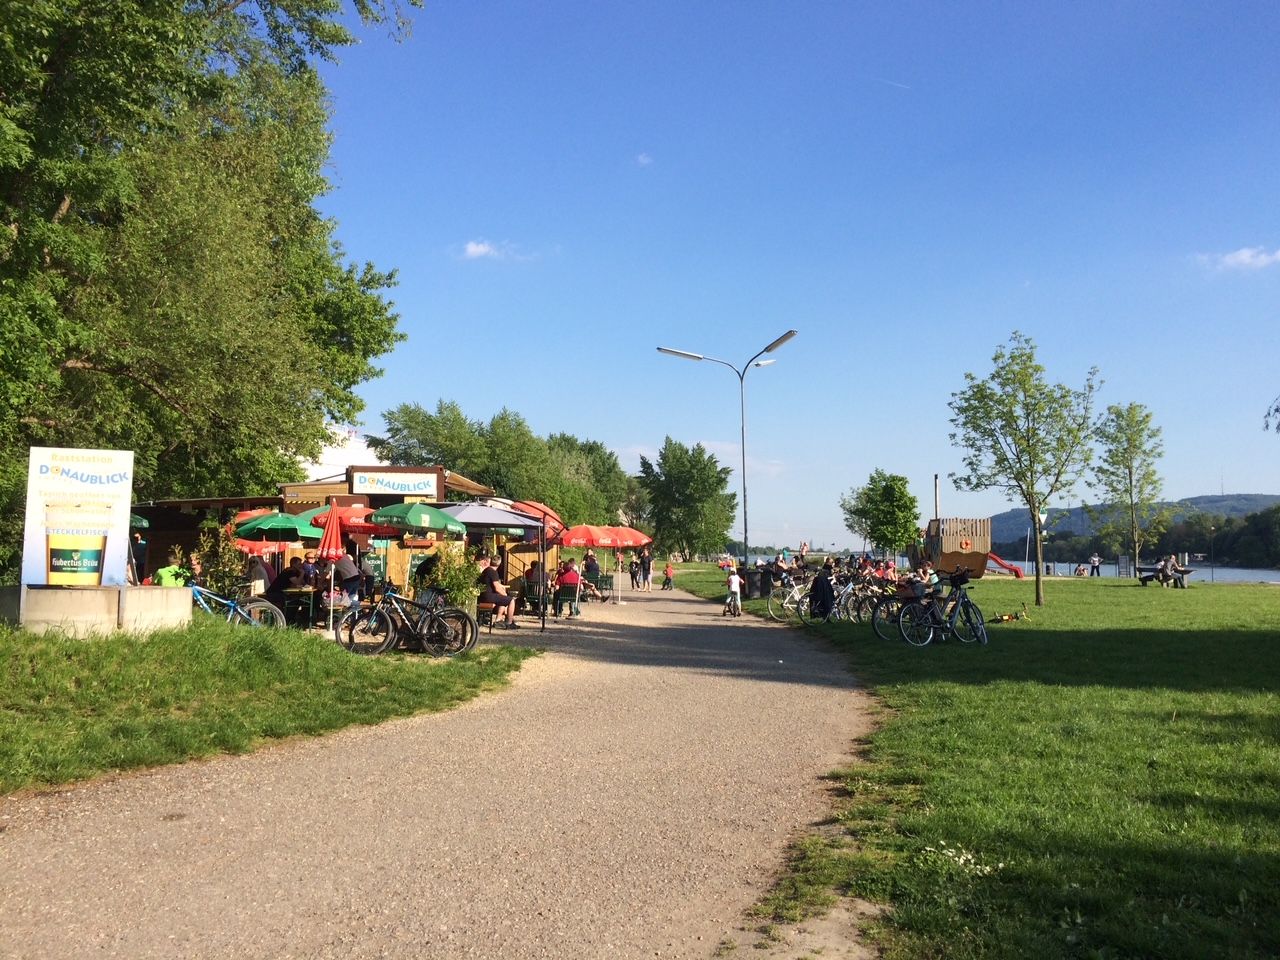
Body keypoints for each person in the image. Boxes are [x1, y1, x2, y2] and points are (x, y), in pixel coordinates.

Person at [476, 553, 519, 628]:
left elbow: (493, 584)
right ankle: (509, 622)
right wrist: (505, 594)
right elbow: (497, 587)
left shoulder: (486, 570)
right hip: (488, 597)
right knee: (511, 600)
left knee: (503, 600)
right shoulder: (493, 572)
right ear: (499, 564)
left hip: (483, 595)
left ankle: (498, 620)